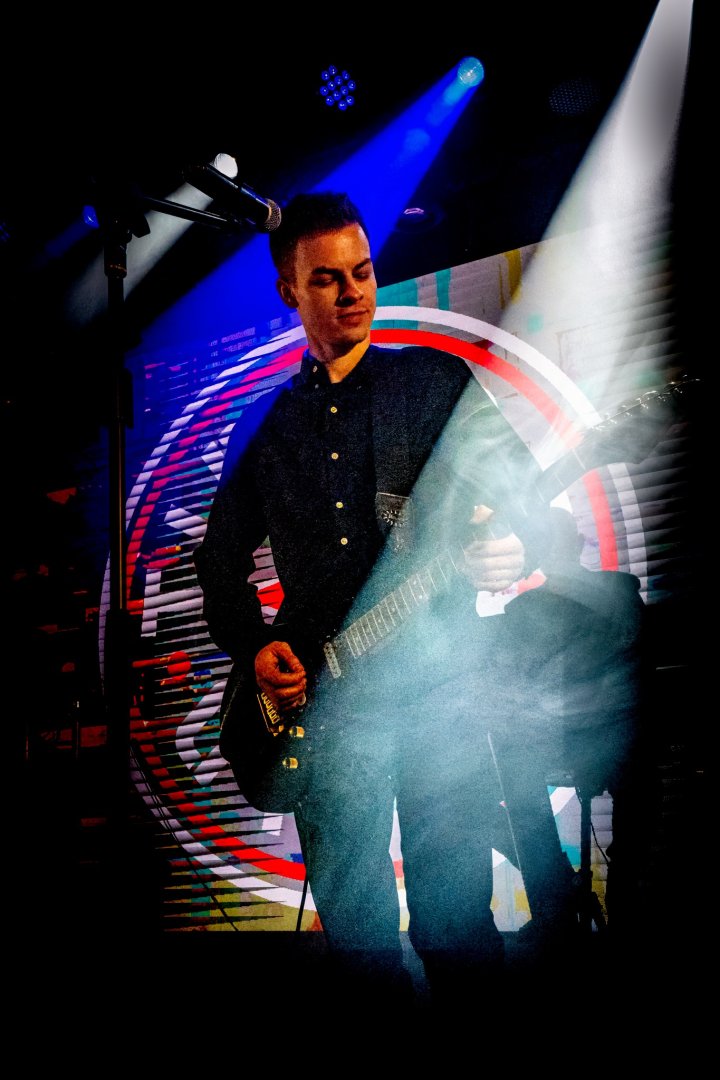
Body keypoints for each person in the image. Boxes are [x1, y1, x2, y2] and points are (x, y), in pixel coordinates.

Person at [193, 191, 554, 1022]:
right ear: (290, 290)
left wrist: (518, 547)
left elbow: (528, 500)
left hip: (440, 689)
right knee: (358, 940)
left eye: (362, 271)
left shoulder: (432, 382)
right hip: (328, 709)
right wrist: (254, 647)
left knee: (456, 924)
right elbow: (218, 560)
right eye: (328, 279)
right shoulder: (263, 425)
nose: (354, 291)